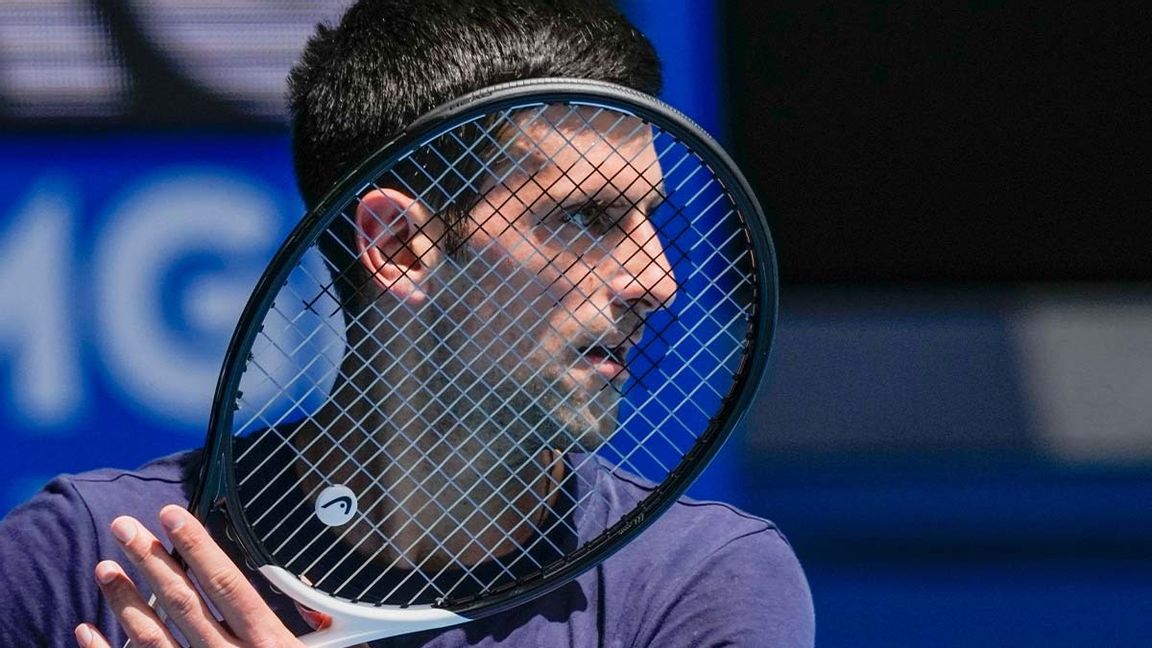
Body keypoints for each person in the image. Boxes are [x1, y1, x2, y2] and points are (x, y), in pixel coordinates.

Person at [0, 1, 815, 647]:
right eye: (587, 218)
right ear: (399, 245)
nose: (656, 281)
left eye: (648, 218)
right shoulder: (78, 561)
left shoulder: (702, 585)